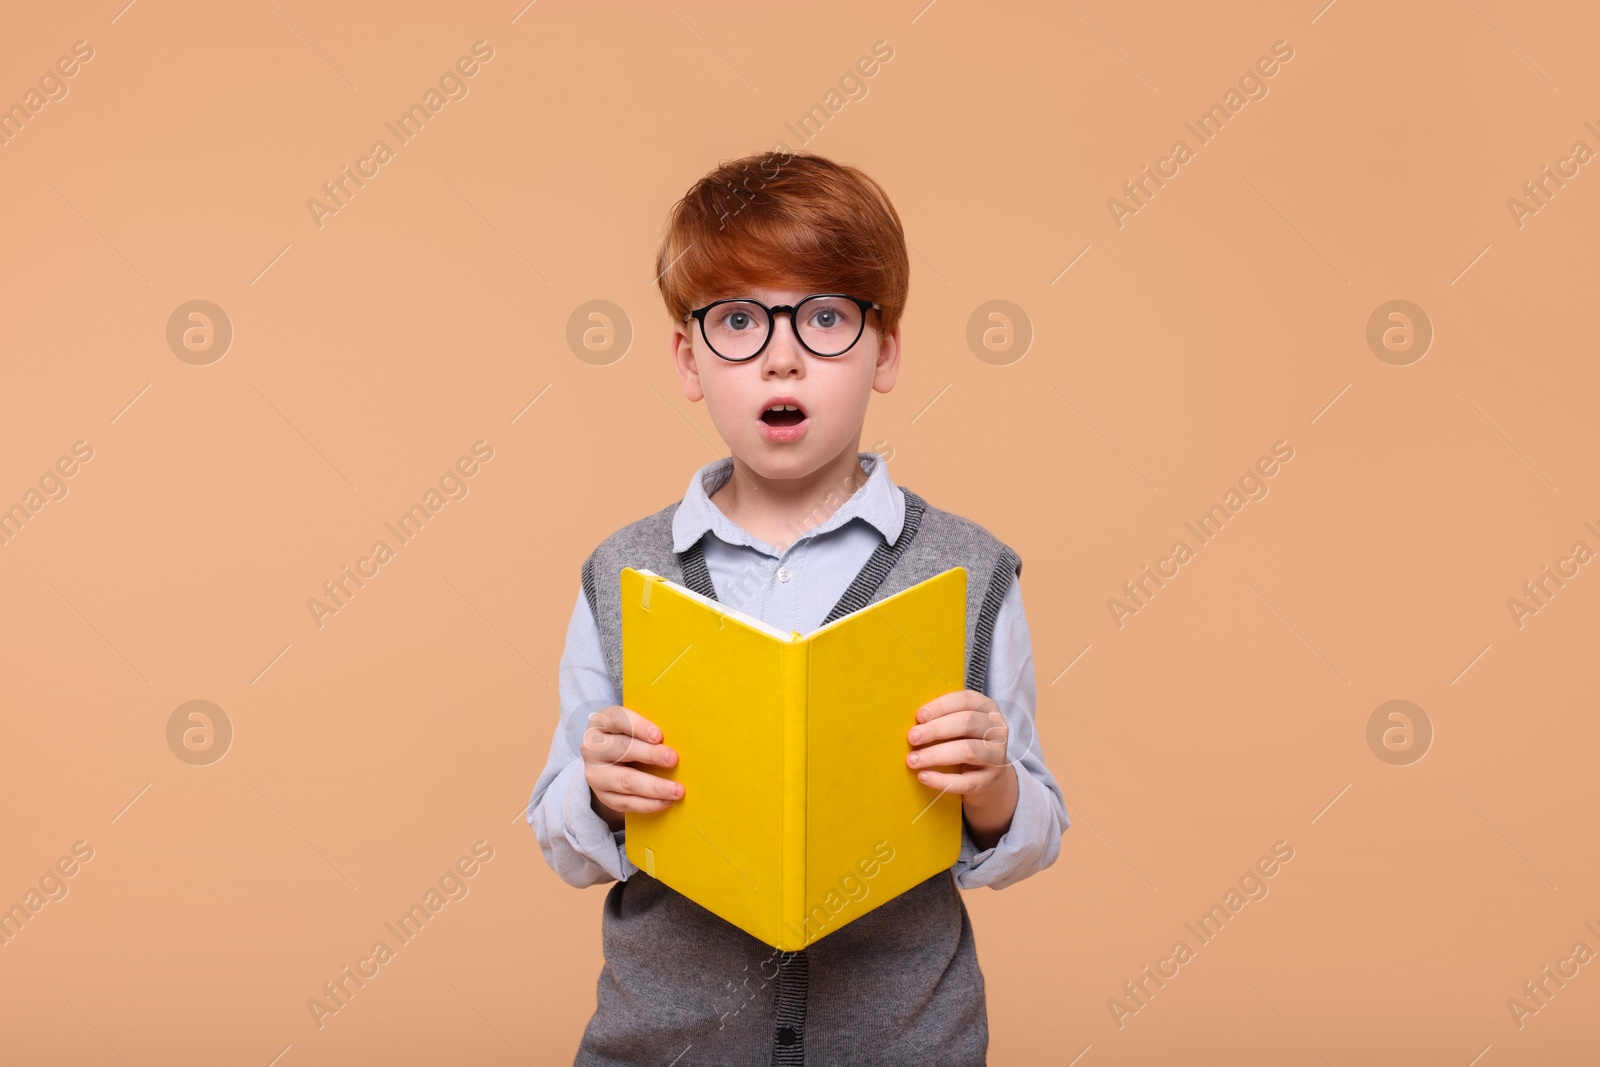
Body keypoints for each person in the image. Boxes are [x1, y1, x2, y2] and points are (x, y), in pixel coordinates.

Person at [527, 150, 1069, 1065]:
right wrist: (598, 789)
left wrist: (992, 786)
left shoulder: (971, 571)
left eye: (825, 318)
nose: (783, 357)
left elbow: (1032, 833)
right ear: (688, 357)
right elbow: (565, 840)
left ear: (885, 349)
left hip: (906, 1044)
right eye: (738, 320)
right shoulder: (624, 572)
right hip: (665, 1045)